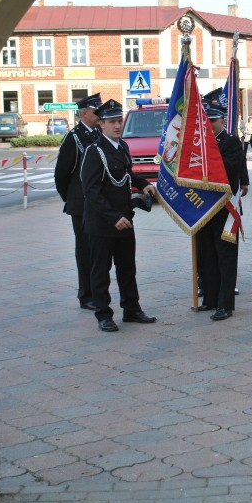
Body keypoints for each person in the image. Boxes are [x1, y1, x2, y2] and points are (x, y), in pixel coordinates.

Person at [80, 99, 158, 332]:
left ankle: (131, 309)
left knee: (127, 268)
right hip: (103, 224)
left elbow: (127, 174)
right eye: (112, 122)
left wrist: (143, 183)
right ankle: (104, 314)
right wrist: (113, 217)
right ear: (101, 124)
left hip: (125, 218)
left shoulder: (121, 146)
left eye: (119, 121)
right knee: (101, 272)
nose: (117, 126)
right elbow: (91, 192)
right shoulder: (94, 152)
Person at [196, 103, 249, 322]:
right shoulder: (198, 143)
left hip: (225, 207)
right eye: (206, 121)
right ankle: (210, 298)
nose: (209, 124)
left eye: (213, 121)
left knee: (225, 257)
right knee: (206, 255)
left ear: (221, 122)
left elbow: (228, 170)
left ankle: (225, 304)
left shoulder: (230, 142)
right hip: (202, 206)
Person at [54, 92, 101, 311]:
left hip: (97, 203)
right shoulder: (74, 138)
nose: (99, 114)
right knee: (84, 251)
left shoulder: (99, 133)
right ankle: (86, 295)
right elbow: (62, 173)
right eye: (95, 111)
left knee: (98, 250)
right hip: (80, 205)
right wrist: (71, 199)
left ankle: (98, 290)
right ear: (84, 113)